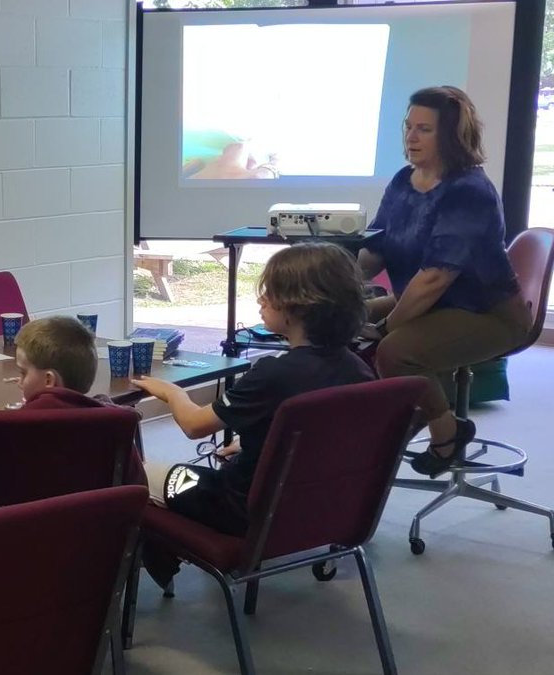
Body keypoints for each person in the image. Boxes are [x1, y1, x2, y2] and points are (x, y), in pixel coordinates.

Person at [132, 244, 373, 583]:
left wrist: (172, 392)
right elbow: (328, 439)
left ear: (297, 306)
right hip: (319, 509)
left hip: (241, 510)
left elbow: (193, 425)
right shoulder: (359, 370)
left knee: (134, 473)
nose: (260, 301)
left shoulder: (272, 374)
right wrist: (256, 448)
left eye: (268, 294)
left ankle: (159, 551)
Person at [358, 86, 530, 476]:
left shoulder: (469, 191)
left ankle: (447, 432)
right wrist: (337, 280)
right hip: (432, 302)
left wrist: (388, 326)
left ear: (451, 135)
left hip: (487, 312)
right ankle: (377, 426)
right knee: (344, 318)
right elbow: (376, 247)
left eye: (424, 129)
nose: (411, 137)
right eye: (408, 127)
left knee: (396, 350)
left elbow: (435, 277)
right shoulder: (405, 180)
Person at [14, 316, 147, 488]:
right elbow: (138, 488)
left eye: (23, 373)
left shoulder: (17, 429)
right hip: (103, 514)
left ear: (49, 380)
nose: (19, 382)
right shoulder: (115, 424)